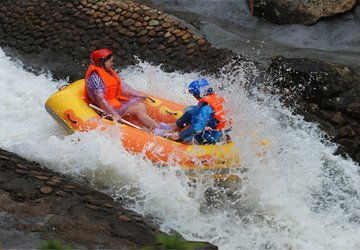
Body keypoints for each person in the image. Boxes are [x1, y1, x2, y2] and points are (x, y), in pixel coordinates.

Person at [84, 48, 170, 135]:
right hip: (104, 108)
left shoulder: (107, 72)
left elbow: (123, 87)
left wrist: (138, 93)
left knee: (140, 104)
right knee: (137, 109)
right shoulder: (95, 78)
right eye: (110, 61)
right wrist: (113, 114)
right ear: (102, 62)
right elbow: (100, 99)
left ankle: (154, 126)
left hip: (113, 102)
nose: (112, 63)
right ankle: (159, 130)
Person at [166, 79, 231, 144]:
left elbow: (197, 128)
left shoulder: (205, 107)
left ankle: (182, 138)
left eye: (194, 95)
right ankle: (174, 128)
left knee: (195, 128)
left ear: (197, 95)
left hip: (211, 137)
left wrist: (179, 136)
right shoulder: (217, 97)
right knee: (190, 111)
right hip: (220, 132)